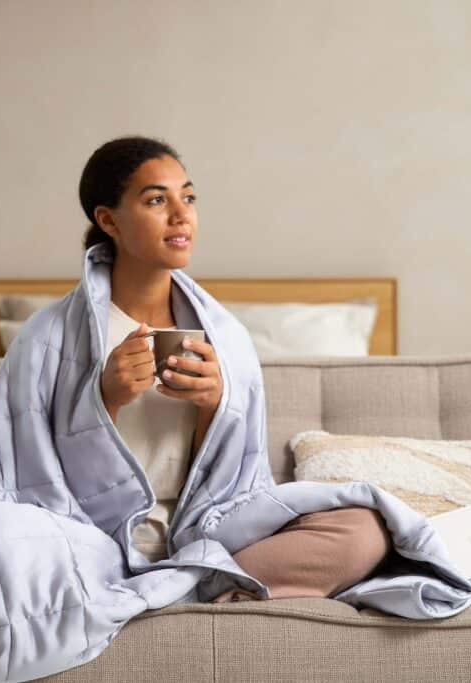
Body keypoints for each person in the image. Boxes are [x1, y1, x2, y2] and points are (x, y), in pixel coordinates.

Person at [78, 136, 393, 602]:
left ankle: (186, 581)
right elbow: (30, 475)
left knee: (364, 530)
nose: (181, 214)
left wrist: (214, 405)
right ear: (108, 220)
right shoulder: (55, 338)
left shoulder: (223, 334)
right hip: (93, 540)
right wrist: (104, 398)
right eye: (156, 200)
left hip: (211, 537)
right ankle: (189, 586)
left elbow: (236, 484)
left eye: (187, 197)